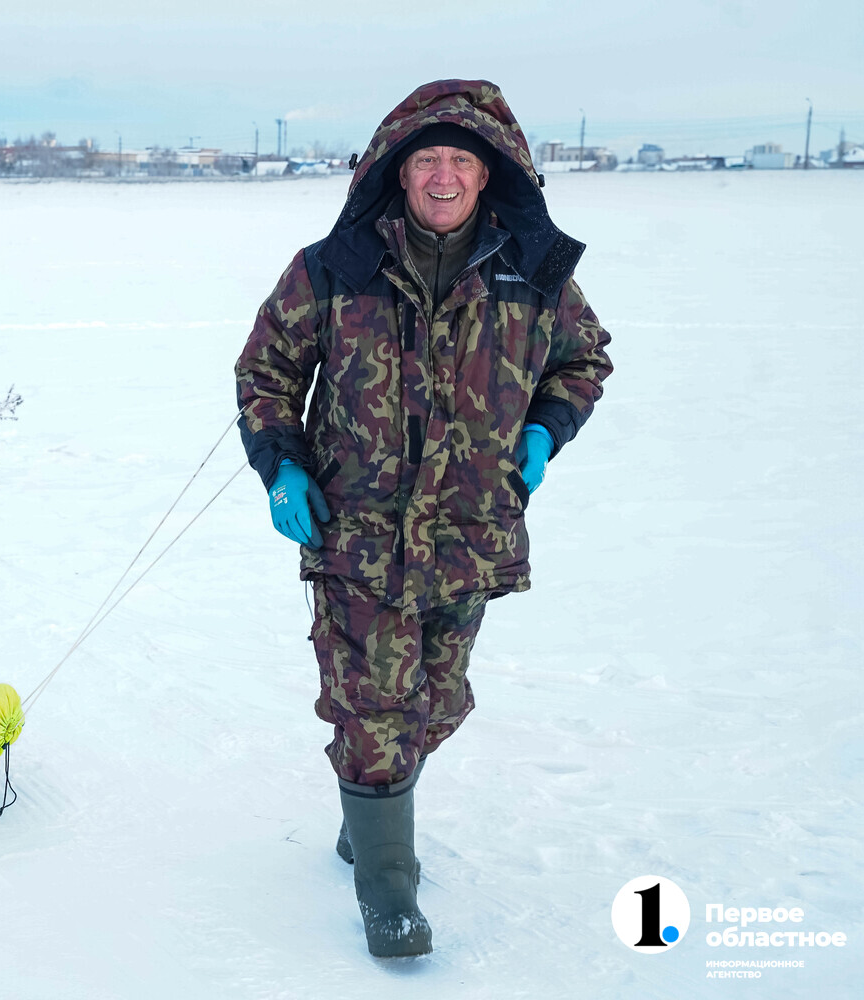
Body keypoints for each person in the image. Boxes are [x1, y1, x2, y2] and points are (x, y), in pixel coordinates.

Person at [234, 79, 613, 958]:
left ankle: (369, 813)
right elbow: (266, 373)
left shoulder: (534, 269)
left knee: (434, 707)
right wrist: (281, 467)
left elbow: (584, 360)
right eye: (427, 160)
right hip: (357, 537)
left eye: (462, 162)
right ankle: (388, 892)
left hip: (473, 534)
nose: (444, 176)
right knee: (373, 711)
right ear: (397, 173)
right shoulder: (333, 267)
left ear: (490, 175)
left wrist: (545, 433)